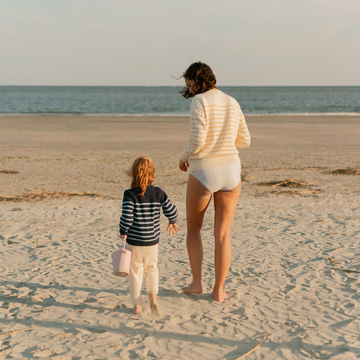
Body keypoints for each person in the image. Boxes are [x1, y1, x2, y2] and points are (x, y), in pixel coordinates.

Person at [179, 62, 251, 302]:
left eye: (190, 85)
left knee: (194, 229)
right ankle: (219, 291)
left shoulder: (199, 102)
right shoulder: (233, 101)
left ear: (199, 81)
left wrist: (183, 157)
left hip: (205, 170)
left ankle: (197, 283)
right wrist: (224, 140)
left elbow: (197, 141)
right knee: (222, 234)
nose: (189, 91)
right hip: (232, 170)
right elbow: (245, 140)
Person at [119, 156, 180, 314]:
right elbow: (171, 210)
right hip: (152, 242)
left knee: (135, 273)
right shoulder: (158, 193)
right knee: (152, 268)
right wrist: (172, 220)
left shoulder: (129, 194)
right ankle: (152, 296)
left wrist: (123, 231)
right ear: (152, 174)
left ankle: (137, 305)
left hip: (135, 242)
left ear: (133, 174)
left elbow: (127, 217)